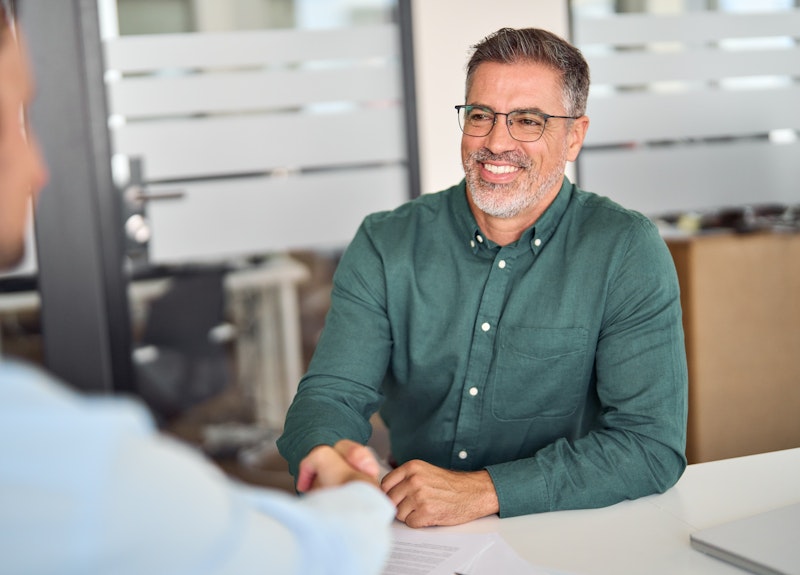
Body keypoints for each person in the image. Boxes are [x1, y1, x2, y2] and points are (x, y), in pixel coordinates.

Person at [0, 4, 394, 574]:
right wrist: (356, 488)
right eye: (12, 124)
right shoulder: (58, 464)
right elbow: (312, 559)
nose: (39, 170)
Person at [278, 27, 689, 528]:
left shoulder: (624, 250)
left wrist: (484, 490)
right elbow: (329, 396)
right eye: (480, 116)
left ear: (574, 137)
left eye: (527, 121)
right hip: (417, 530)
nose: (496, 142)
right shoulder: (386, 243)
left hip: (563, 529)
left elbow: (649, 445)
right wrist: (332, 457)